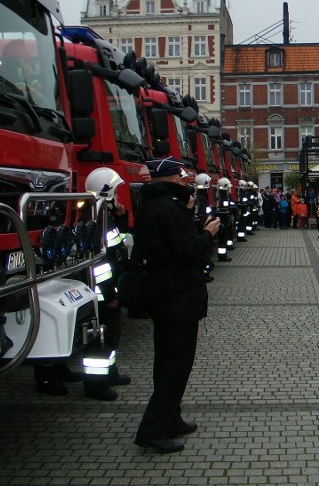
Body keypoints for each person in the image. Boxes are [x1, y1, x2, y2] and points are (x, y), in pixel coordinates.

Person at [134, 156, 220, 454]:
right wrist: (208, 233)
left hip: (162, 293)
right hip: (177, 295)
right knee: (176, 365)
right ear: (171, 179)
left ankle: (171, 418)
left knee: (166, 360)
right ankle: (152, 430)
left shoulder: (149, 204)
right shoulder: (168, 210)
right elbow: (190, 252)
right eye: (180, 178)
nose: (185, 181)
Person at [81, 167, 132, 401]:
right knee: (98, 340)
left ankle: (109, 373)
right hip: (100, 294)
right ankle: (95, 385)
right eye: (117, 192)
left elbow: (116, 244)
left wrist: (120, 218)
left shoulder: (104, 216)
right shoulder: (95, 219)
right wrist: (109, 295)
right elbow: (100, 265)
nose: (119, 196)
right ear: (107, 193)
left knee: (111, 336)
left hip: (108, 290)